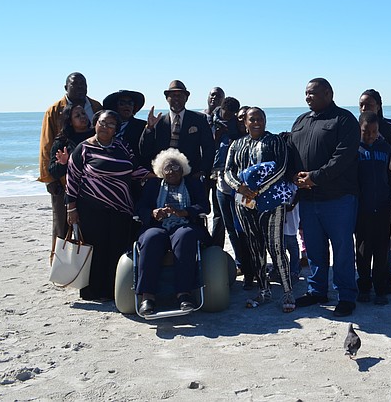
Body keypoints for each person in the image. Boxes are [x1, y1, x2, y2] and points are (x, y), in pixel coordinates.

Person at [287, 78, 360, 318]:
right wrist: (294, 177)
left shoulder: (344, 119)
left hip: (338, 198)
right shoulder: (301, 121)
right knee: (315, 250)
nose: (308, 97)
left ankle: (346, 295)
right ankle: (317, 291)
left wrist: (315, 177)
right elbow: (290, 153)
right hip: (308, 199)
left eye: (313, 93)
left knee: (342, 249)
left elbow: (344, 156)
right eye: (306, 93)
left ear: (328, 93)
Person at [65, 110, 150, 301]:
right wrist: (71, 209)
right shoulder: (83, 148)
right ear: (95, 124)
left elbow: (135, 169)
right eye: (103, 123)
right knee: (96, 250)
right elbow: (72, 180)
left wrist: (157, 175)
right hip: (91, 210)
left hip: (122, 209)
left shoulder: (122, 146)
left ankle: (115, 291)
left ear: (116, 130)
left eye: (111, 124)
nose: (106, 127)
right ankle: (93, 291)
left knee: (117, 249)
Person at [224, 107, 297, 312]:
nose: (256, 122)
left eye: (260, 119)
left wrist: (257, 190)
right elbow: (228, 171)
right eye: (252, 119)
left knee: (275, 246)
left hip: (271, 202)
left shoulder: (275, 141)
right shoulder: (236, 145)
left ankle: (287, 291)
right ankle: (264, 290)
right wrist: (240, 188)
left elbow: (282, 168)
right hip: (244, 203)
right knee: (255, 247)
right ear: (245, 123)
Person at [135, 149, 210, 316]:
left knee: (185, 236)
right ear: (161, 171)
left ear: (183, 169)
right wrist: (153, 213)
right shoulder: (152, 185)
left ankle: (184, 294)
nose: (172, 172)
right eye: (168, 169)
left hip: (184, 224)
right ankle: (147, 297)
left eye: (176, 168)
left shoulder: (193, 184)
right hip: (158, 226)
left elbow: (205, 207)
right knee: (151, 237)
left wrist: (184, 212)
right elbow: (140, 208)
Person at [39, 73, 102, 263]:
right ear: (66, 87)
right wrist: (49, 179)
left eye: (84, 84)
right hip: (63, 180)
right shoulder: (54, 111)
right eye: (75, 85)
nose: (81, 88)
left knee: (90, 226)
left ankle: (88, 266)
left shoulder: (97, 107)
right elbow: (46, 146)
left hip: (92, 182)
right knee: (62, 225)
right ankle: (60, 266)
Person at [139, 80, 215, 220]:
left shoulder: (199, 119)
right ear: (167, 98)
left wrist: (203, 171)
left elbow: (209, 147)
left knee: (190, 213)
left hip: (190, 176)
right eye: (173, 95)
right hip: (164, 176)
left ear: (186, 97)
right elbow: (145, 150)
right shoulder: (159, 122)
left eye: (180, 95)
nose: (176, 99)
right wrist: (149, 128)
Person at [212, 97, 254, 288]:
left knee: (245, 229)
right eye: (239, 118)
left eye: (245, 118)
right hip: (223, 187)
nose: (241, 121)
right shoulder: (225, 132)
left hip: (244, 191)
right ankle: (242, 265)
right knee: (231, 229)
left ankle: (250, 268)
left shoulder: (250, 140)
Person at [355, 111, 391, 305]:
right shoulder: (354, 150)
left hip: (383, 208)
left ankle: (380, 289)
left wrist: (390, 199)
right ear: (359, 130)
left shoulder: (385, 147)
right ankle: (364, 287)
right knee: (363, 250)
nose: (370, 135)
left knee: (382, 250)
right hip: (362, 210)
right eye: (366, 131)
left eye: (374, 131)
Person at [47, 103, 94, 262]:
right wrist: (63, 163)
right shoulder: (62, 141)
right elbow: (52, 171)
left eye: (83, 113)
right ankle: (69, 267)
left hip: (95, 194)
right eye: (77, 115)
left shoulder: (96, 136)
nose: (83, 117)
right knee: (70, 233)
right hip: (73, 194)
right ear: (69, 121)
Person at [204, 86, 227, 249]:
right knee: (201, 208)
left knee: (220, 213)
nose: (215, 98)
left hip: (221, 171)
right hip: (202, 170)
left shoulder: (228, 120)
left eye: (219, 96)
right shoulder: (199, 117)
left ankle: (216, 247)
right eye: (212, 95)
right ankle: (201, 242)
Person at [102, 90, 148, 168]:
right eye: (122, 103)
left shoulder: (143, 126)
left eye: (130, 103)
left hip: (133, 170)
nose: (127, 106)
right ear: (115, 106)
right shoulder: (106, 126)